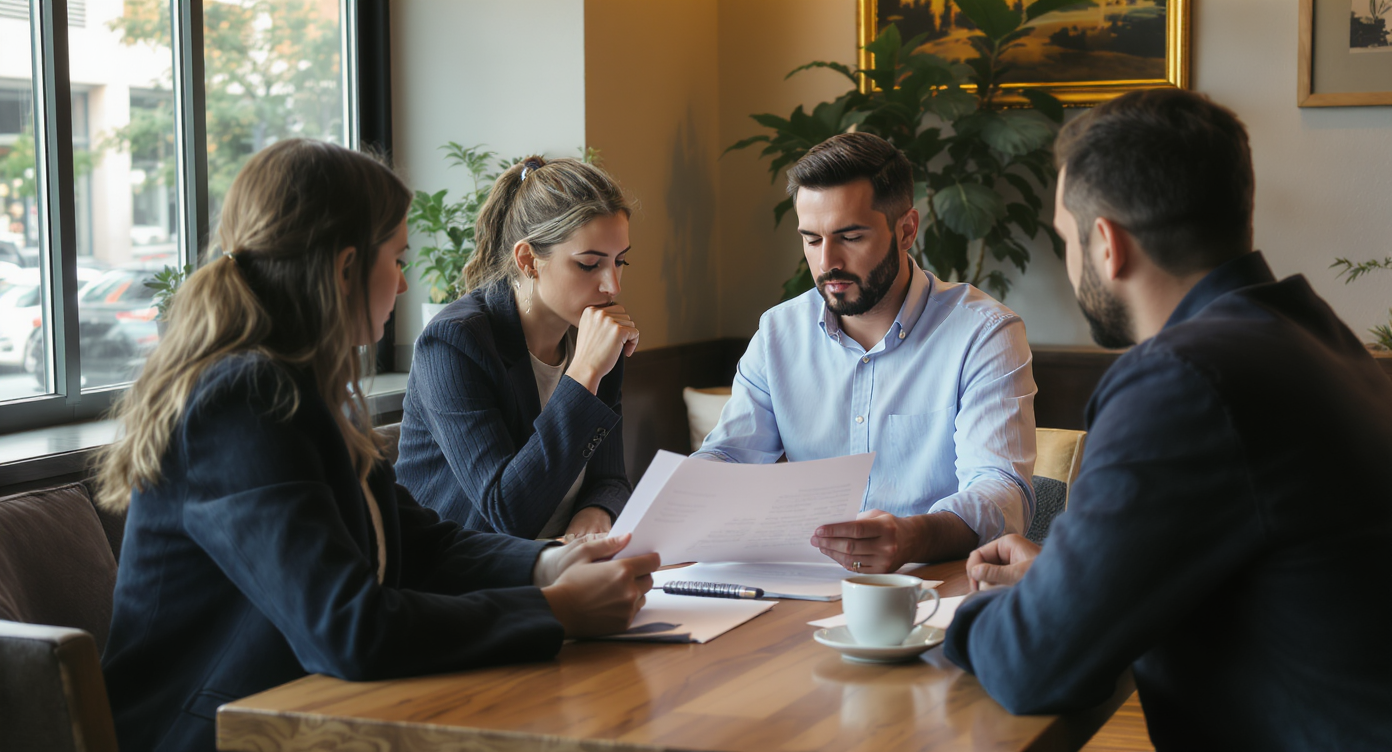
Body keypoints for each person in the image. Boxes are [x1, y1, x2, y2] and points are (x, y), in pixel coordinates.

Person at [95, 140, 659, 752]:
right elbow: (349, 627)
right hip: (225, 730)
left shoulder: (298, 387)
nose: (404, 279)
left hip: (316, 709)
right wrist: (554, 611)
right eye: (397, 257)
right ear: (344, 269)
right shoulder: (242, 400)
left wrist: (545, 563)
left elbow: (415, 539)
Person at [943, 90, 1392, 750]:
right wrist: (1064, 581)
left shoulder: (1181, 380)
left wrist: (973, 613)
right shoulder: (1316, 338)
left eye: (1066, 240)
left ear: (1106, 245)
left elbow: (1030, 665)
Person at [693, 132, 1037, 571]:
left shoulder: (984, 333)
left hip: (931, 587)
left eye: (850, 237)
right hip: (802, 589)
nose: (826, 263)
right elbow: (727, 455)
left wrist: (915, 537)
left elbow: (1001, 489)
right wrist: (687, 492)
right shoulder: (778, 332)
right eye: (812, 240)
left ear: (907, 229)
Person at [395, 156, 637, 540]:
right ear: (528, 261)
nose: (612, 286)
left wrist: (595, 514)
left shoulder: (592, 334)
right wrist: (584, 373)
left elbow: (609, 478)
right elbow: (507, 512)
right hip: (465, 583)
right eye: (590, 265)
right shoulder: (454, 343)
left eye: (620, 261)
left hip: (562, 568)